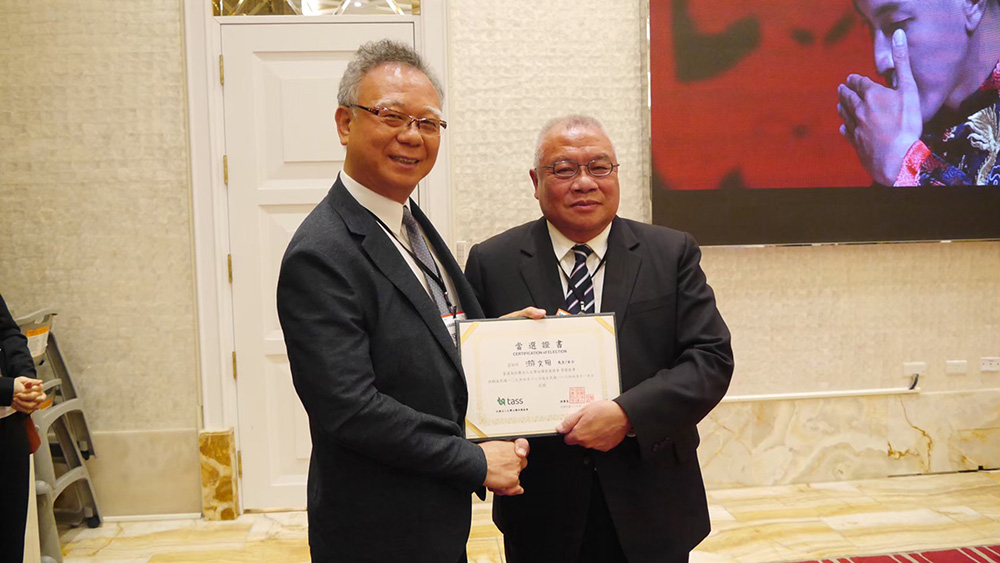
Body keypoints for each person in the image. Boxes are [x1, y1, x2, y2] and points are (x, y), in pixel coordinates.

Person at [276, 40, 532, 563]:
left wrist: (491, 339)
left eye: (429, 123)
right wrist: (473, 461)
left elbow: (420, 330)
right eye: (392, 116)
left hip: (433, 517)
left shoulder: (406, 219)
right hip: (377, 527)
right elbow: (350, 408)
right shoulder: (321, 252)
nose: (412, 136)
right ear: (345, 123)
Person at [464, 115, 734, 563]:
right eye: (563, 169)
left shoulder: (671, 252)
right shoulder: (492, 261)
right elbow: (466, 376)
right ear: (535, 181)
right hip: (541, 504)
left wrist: (627, 415)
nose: (584, 182)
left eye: (599, 167)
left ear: (616, 174)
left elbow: (710, 359)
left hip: (652, 495)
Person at [838, 0, 1000, 186]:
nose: (880, 61)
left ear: (971, 4)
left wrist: (905, 166)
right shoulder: (906, 129)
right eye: (869, 28)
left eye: (896, 24)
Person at [1, 294, 46, 563]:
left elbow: (8, 332)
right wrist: (7, 390)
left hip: (9, 425)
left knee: (10, 543)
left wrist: (27, 379)